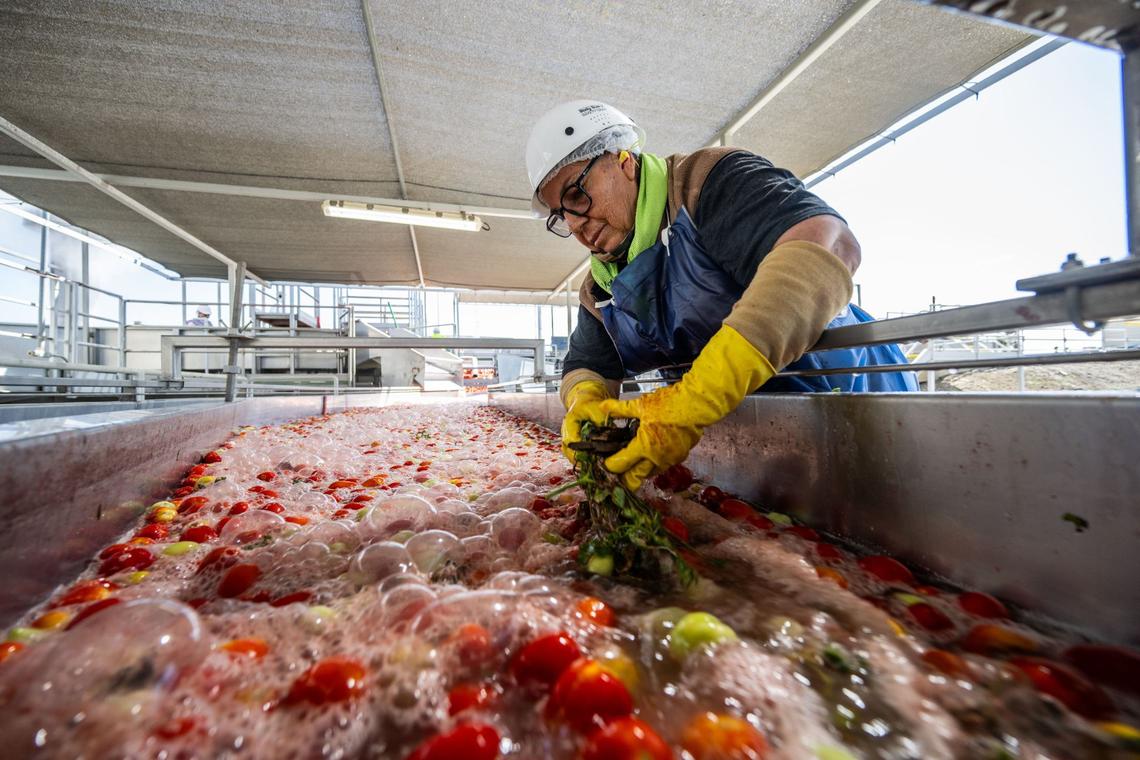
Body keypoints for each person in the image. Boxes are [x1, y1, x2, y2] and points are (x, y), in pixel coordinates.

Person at [525, 101, 918, 490]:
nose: (576, 226)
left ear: (623, 160)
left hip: (859, 413)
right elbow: (588, 361)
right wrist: (584, 403)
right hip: (762, 451)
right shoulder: (602, 287)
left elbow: (829, 246)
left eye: (577, 195)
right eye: (561, 215)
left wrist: (697, 397)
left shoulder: (706, 184)